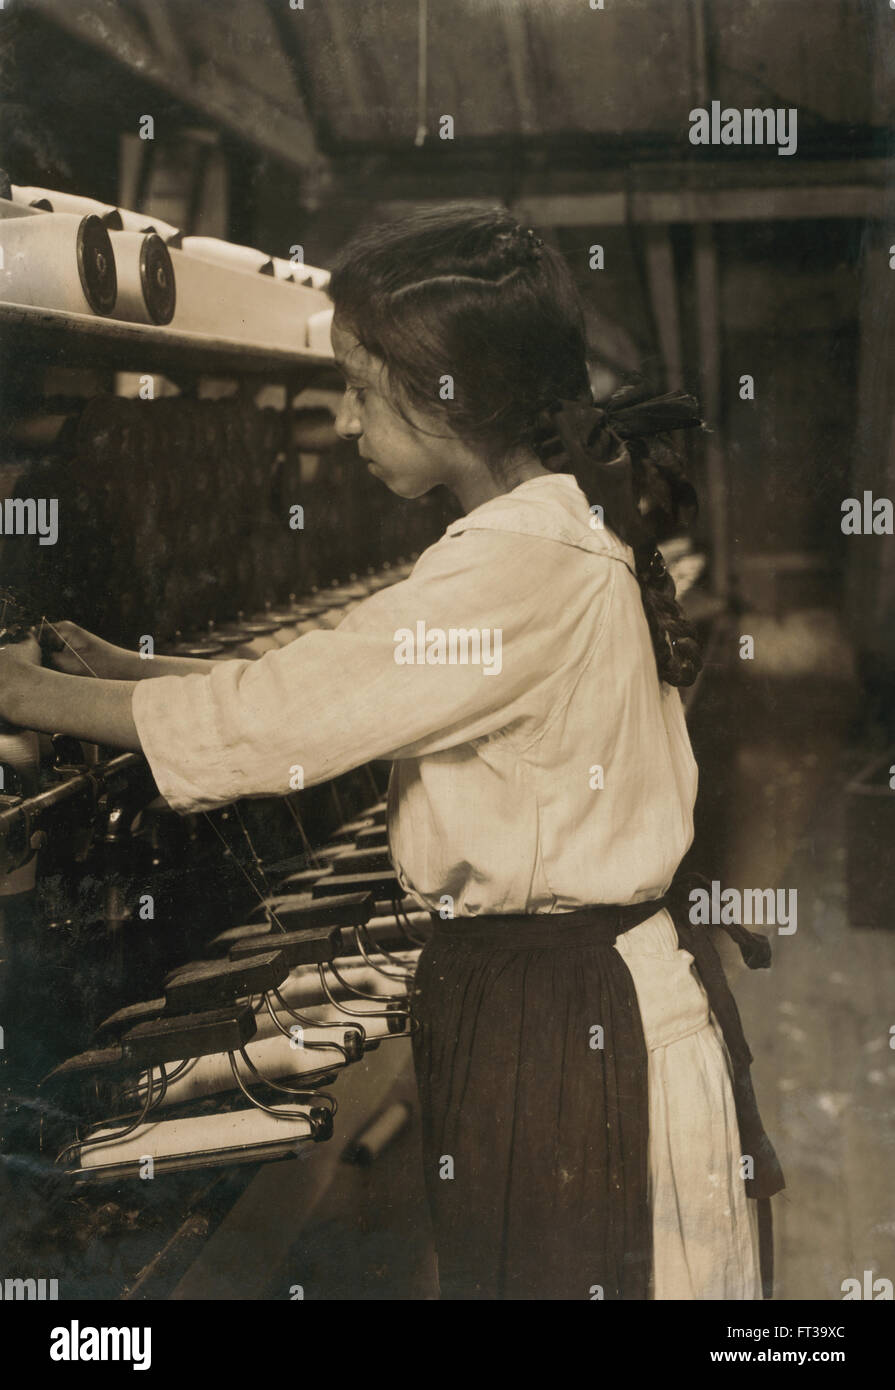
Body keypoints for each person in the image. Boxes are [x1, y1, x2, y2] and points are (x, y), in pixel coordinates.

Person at [0, 204, 783, 1300]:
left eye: (363, 389)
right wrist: (113, 671)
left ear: (444, 394)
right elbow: (326, 682)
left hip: (567, 1024)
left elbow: (280, 720)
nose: (347, 418)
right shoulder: (544, 529)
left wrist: (26, 690)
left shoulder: (511, 563)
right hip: (558, 1001)